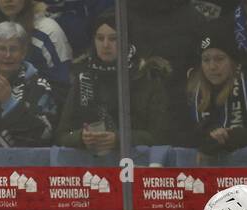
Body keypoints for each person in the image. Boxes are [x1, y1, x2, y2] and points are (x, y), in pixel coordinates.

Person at [56, 14, 172, 159]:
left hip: (137, 168)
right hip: (92, 170)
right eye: (100, 38)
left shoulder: (147, 77)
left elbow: (160, 136)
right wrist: (81, 138)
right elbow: (62, 135)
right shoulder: (83, 77)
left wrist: (120, 139)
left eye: (113, 39)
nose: (105, 45)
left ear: (127, 41)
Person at [186, 29, 247, 165]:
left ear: (232, 61)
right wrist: (210, 140)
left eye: (219, 59)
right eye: (206, 60)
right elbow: (186, 135)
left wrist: (226, 137)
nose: (212, 66)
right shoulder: (193, 90)